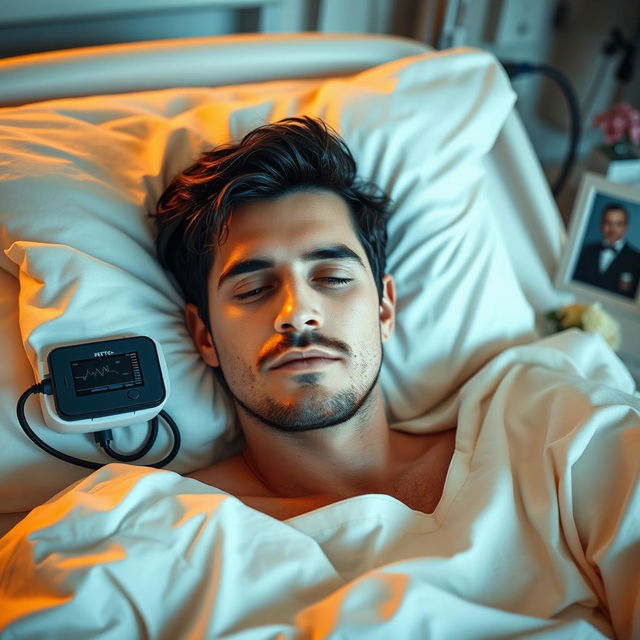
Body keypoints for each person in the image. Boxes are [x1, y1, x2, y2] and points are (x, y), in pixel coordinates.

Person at [155, 116, 456, 519]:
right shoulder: (172, 528)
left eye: (332, 277)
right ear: (204, 336)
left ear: (385, 308)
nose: (297, 314)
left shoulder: (524, 439)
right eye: (254, 290)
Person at [573, 202, 640, 299]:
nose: (612, 229)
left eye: (618, 224)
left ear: (626, 227)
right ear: (601, 225)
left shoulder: (637, 259)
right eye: (608, 223)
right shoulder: (586, 250)